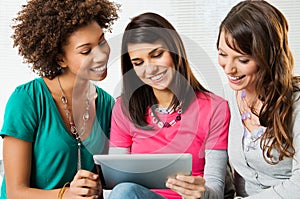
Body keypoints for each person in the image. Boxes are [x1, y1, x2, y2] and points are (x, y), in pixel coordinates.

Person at [0, 0, 119, 198]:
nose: (101, 55)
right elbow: (15, 192)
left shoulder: (107, 105)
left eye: (102, 42)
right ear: (60, 58)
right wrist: (65, 195)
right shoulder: (27, 100)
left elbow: (105, 178)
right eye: (86, 51)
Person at [108, 12, 230, 199]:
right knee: (123, 191)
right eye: (138, 63)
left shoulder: (215, 108)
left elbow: (216, 190)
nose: (150, 69)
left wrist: (201, 192)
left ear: (175, 51)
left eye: (156, 55)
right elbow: (116, 181)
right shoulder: (123, 109)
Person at [217, 0, 300, 198]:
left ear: (268, 57)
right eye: (222, 54)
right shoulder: (228, 98)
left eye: (243, 59)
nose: (229, 68)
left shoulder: (296, 103)